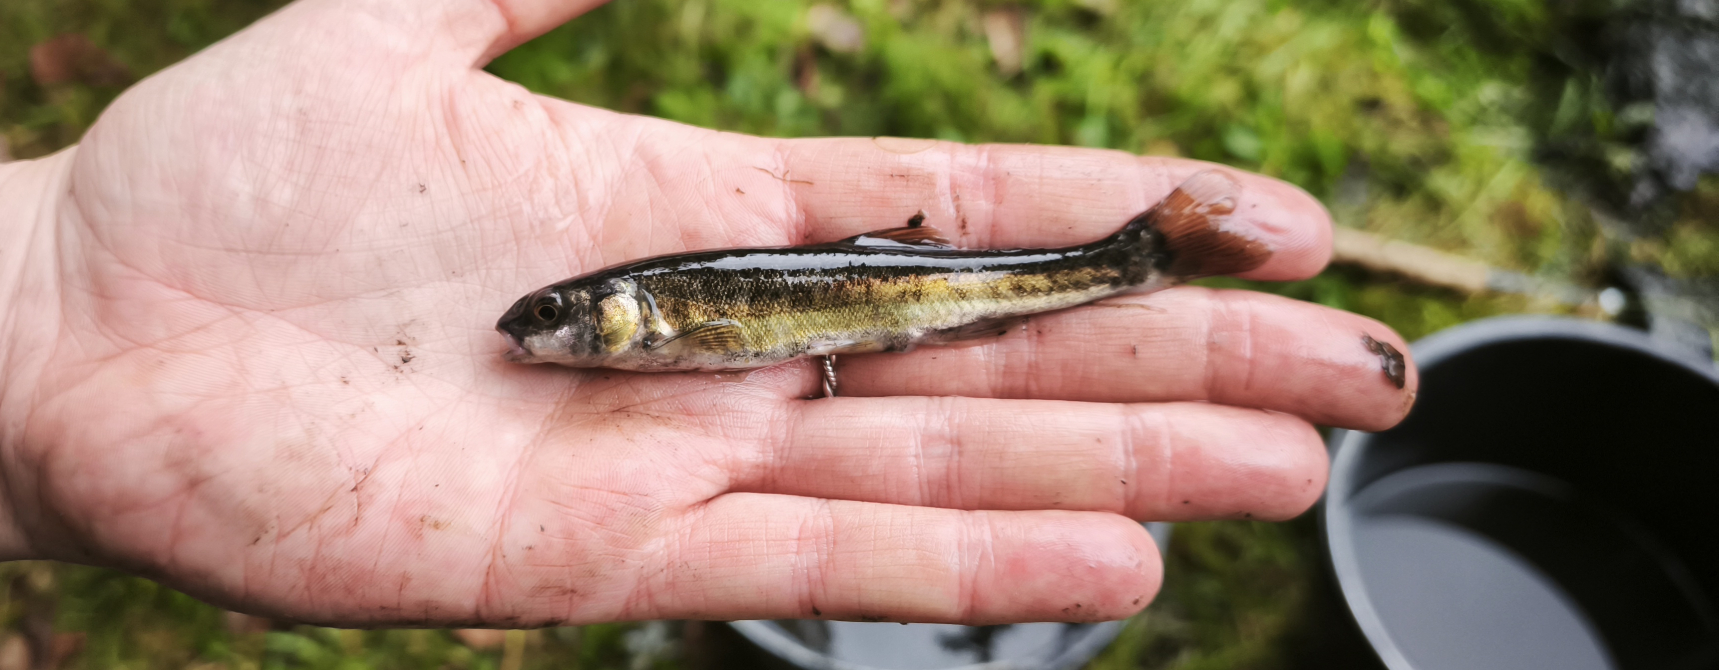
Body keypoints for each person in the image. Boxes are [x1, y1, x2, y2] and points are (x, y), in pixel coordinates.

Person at [0, 0, 1415, 628]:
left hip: (885, 291)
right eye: (558, 322)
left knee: (987, 310)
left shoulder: (663, 312)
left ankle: (1137, 256)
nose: (544, 337)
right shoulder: (637, 320)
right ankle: (1141, 254)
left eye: (560, 322)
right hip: (866, 295)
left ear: (620, 318)